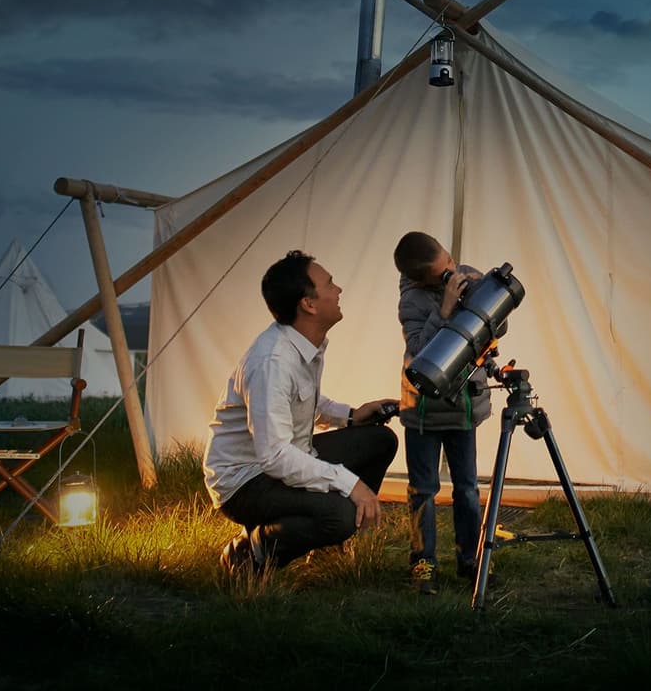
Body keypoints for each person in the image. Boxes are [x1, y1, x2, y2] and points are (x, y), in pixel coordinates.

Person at [203, 249, 399, 579]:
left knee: (379, 439)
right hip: (246, 482)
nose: (339, 291)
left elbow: (305, 402)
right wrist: (352, 485)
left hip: (287, 457)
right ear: (308, 304)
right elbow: (275, 457)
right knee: (340, 513)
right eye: (330, 284)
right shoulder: (272, 362)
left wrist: (351, 415)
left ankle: (321, 539)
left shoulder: (305, 343)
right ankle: (251, 549)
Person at [393, 230, 495, 595]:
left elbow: (497, 327)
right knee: (423, 489)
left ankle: (471, 559)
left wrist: (488, 294)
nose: (452, 272)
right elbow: (419, 350)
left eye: (450, 260)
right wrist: (446, 310)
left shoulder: (467, 273)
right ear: (422, 279)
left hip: (462, 407)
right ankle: (423, 562)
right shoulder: (412, 302)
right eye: (442, 273)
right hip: (423, 410)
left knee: (467, 489)